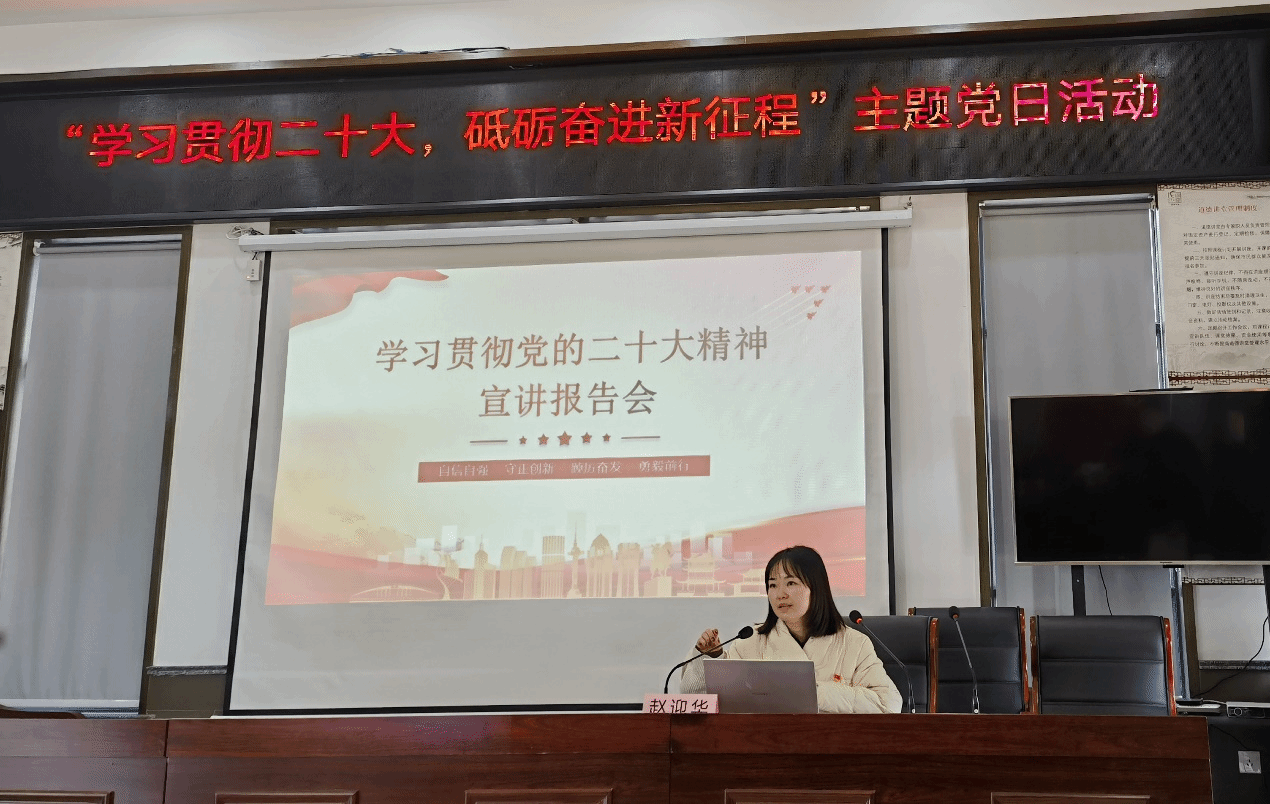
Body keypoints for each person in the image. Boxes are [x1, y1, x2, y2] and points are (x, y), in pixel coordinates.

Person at [680, 545, 902, 713]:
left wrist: (813, 691)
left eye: (791, 583)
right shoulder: (750, 641)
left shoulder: (854, 643)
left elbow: (888, 703)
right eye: (772, 585)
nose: (780, 594)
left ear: (816, 587)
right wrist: (712, 657)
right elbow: (700, 700)